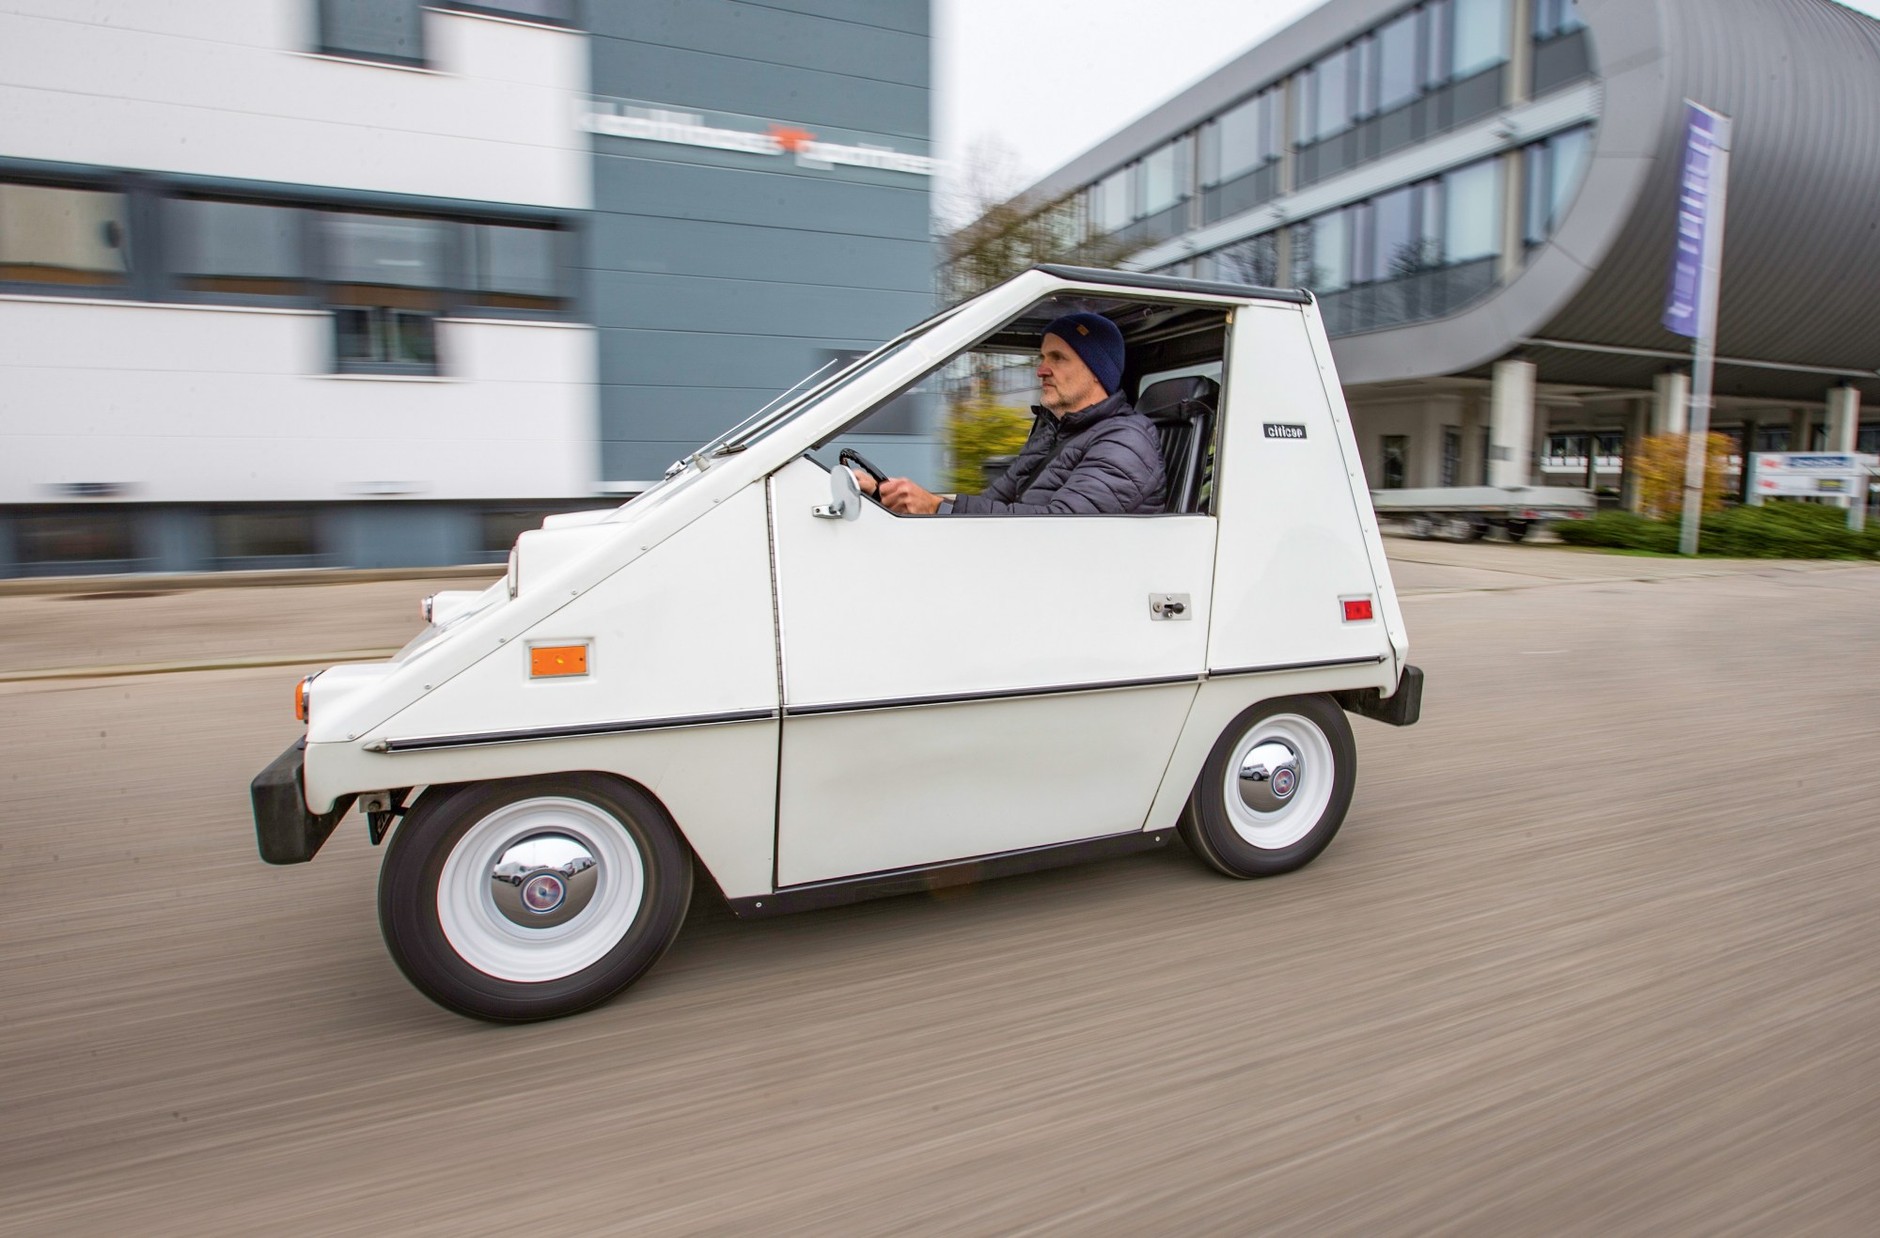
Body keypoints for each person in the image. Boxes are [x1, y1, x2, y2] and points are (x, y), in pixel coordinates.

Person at [859, 312, 1166, 516]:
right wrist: (893, 496)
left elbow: (1062, 528)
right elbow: (992, 504)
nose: (1041, 370)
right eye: (1042, 357)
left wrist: (936, 507)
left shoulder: (1125, 441)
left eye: (1058, 358)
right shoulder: (1054, 432)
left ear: (1098, 373)